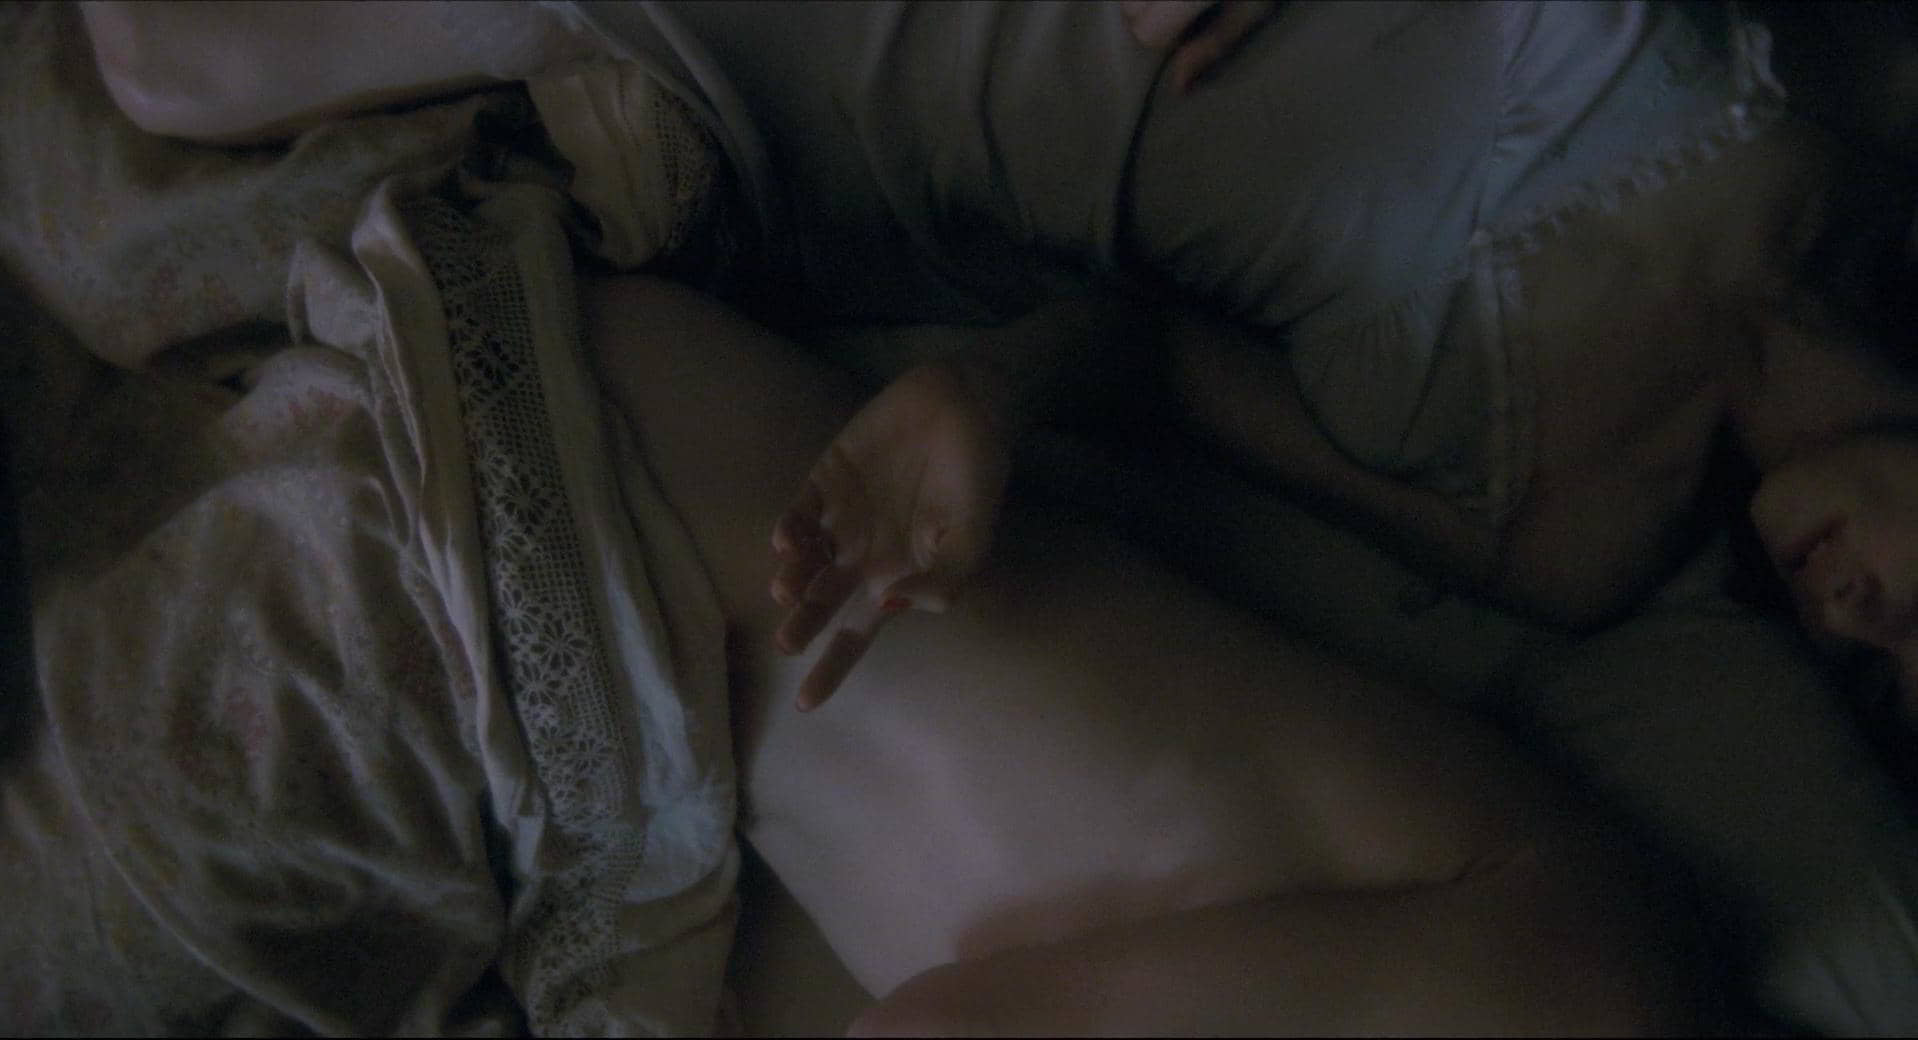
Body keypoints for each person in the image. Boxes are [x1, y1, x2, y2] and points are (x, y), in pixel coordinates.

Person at [74, 0, 1918, 1032]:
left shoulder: (1579, 540)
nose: (1856, 624)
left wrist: (984, 401)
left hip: (919, 138)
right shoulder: (1816, 93)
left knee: (162, 56)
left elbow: (1156, 360)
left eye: (1882, 681)